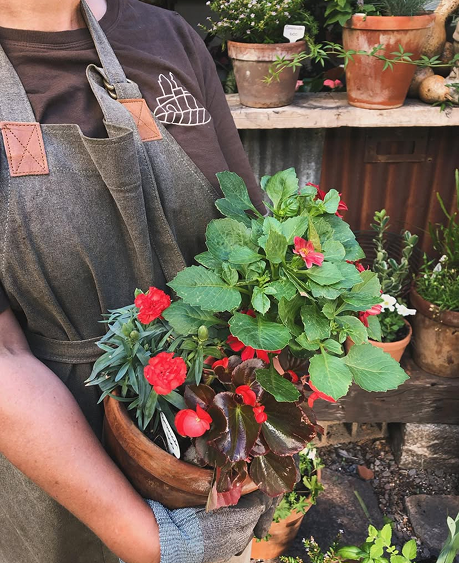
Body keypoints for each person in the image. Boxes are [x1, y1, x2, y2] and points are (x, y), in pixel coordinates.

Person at [0, 1, 272, 562]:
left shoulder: (168, 36)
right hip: (62, 469)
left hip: (210, 452)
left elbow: (252, 240)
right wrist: (153, 541)